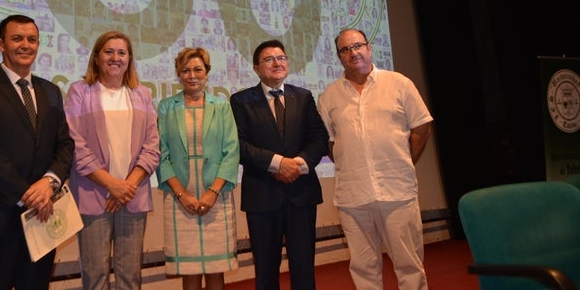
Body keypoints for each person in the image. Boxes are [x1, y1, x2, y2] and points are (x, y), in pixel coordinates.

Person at [0, 14, 74, 290]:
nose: (26, 45)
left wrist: (48, 184)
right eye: (17, 38)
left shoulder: (51, 91)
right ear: (1, 43)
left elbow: (65, 145)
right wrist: (28, 195)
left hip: (44, 217)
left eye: (32, 39)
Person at [317, 28, 433, 290]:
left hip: (397, 192)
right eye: (345, 49)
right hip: (353, 196)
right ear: (338, 57)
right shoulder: (329, 96)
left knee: (409, 267)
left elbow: (421, 128)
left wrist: (402, 161)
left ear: (369, 48)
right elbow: (328, 142)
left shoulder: (399, 83)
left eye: (357, 46)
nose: (353, 53)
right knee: (364, 270)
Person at [63, 30, 160, 290]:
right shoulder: (79, 91)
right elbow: (75, 144)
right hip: (94, 195)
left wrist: (126, 186)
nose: (115, 57)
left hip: (133, 195)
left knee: (131, 276)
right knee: (95, 276)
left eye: (122, 52)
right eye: (109, 51)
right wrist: (111, 184)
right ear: (96, 57)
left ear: (129, 59)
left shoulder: (142, 94)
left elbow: (152, 145)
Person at [230, 39, 328, 290]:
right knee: (266, 269)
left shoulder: (304, 97)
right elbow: (238, 145)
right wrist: (277, 164)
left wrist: (299, 164)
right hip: (262, 195)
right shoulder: (240, 101)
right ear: (256, 68)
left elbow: (319, 137)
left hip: (301, 193)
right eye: (269, 59)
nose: (277, 63)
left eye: (281, 58)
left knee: (304, 267)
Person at [156, 47, 240, 290]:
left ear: (207, 73)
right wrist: (183, 195)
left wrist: (212, 192)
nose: (191, 75)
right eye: (185, 70)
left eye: (197, 70)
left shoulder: (222, 106)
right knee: (189, 271)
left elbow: (231, 152)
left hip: (217, 196)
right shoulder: (166, 107)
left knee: (216, 271)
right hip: (179, 197)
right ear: (178, 74)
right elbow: (162, 155)